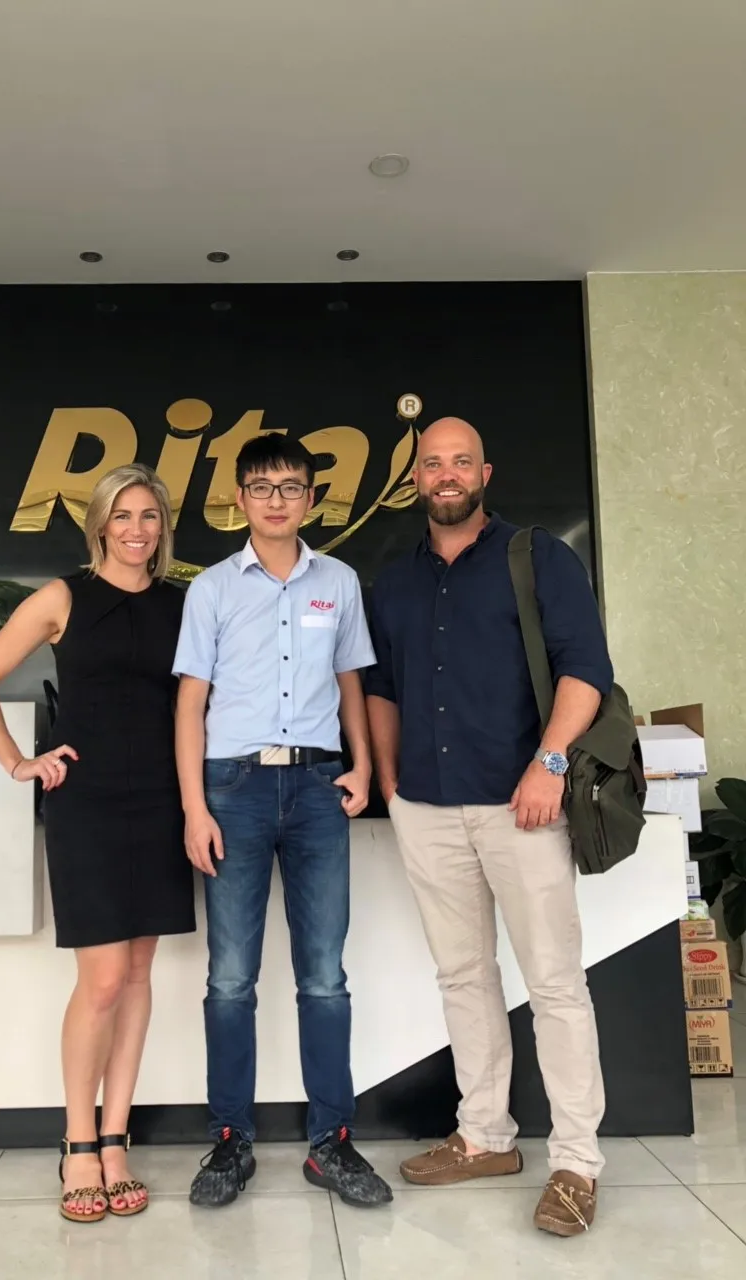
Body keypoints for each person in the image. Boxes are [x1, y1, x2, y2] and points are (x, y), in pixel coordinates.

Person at [366, 417, 613, 1238]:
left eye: (460, 462)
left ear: (484, 473)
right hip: (427, 807)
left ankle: (576, 1163)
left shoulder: (538, 557)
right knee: (463, 977)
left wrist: (549, 763)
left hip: (522, 804)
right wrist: (391, 778)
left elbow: (587, 669)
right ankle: (484, 1137)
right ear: (415, 479)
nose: (446, 474)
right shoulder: (394, 581)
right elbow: (381, 686)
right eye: (432, 463)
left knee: (554, 984)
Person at [0, 463, 196, 1224]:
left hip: (160, 801)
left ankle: (116, 1140)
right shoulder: (63, 598)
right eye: (123, 516)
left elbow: (197, 705)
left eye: (149, 516)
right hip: (88, 805)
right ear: (99, 524)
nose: (137, 530)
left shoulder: (182, 605)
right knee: (101, 982)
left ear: (163, 527)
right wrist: (19, 762)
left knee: (138, 974)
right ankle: (78, 1144)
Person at [173, 433, 393, 1210]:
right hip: (231, 789)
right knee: (231, 978)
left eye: (291, 486)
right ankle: (230, 1141)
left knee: (324, 977)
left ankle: (331, 1142)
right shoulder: (211, 589)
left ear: (311, 499)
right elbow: (190, 704)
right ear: (240, 498)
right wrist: (194, 806)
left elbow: (352, 680)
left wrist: (361, 766)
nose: (276, 499)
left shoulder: (339, 581)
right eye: (262, 487)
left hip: (316, 790)